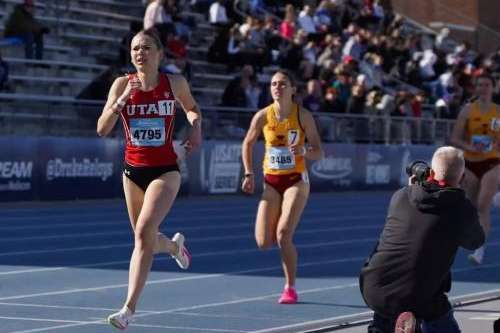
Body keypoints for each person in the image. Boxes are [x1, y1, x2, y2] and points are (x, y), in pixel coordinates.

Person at [96, 29, 202, 330]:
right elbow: (102, 129)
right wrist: (121, 102)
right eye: (134, 49)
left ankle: (128, 310)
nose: (139, 53)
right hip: (132, 172)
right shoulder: (121, 85)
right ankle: (173, 247)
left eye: (145, 48)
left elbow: (192, 108)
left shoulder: (174, 83)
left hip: (165, 170)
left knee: (143, 231)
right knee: (145, 239)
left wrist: (196, 127)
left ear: (159, 54)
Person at [359, 146, 485, 333]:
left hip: (374, 287)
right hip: (419, 294)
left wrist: (414, 187)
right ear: (463, 178)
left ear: (431, 172)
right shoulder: (460, 208)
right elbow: (476, 241)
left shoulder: (401, 196)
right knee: (431, 305)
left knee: (393, 299)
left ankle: (389, 325)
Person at [241, 70, 323, 304]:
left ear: (293, 89)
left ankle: (290, 287)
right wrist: (249, 173)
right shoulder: (263, 116)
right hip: (271, 181)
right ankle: (287, 266)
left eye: (283, 84)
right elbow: (247, 143)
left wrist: (305, 150)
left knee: (283, 234)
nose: (277, 87)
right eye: (274, 84)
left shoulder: (303, 116)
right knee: (263, 242)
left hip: (296, 180)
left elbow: (319, 151)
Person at [450, 73, 500, 265]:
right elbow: (455, 138)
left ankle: (480, 251)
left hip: (493, 162)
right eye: (480, 84)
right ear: (476, 88)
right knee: (470, 205)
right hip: (471, 162)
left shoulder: (498, 111)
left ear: (493, 88)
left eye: (487, 84)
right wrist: (470, 147)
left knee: (482, 205)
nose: (484, 88)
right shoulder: (467, 111)